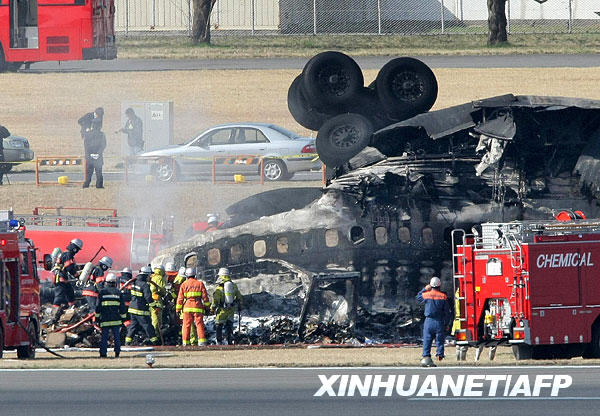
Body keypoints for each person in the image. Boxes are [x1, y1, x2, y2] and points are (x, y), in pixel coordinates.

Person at [416, 276, 451, 367]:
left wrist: (424, 289)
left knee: (427, 340)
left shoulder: (426, 294)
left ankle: (426, 357)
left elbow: (418, 297)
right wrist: (446, 323)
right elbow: (447, 312)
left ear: (431, 285)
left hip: (429, 321)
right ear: (439, 285)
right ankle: (440, 355)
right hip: (439, 321)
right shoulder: (443, 296)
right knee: (439, 340)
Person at [176, 267, 210, 346]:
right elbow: (205, 297)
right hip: (198, 307)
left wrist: (178, 310)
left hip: (187, 307)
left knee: (186, 325)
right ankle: (202, 342)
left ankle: (185, 343)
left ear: (186, 276)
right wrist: (207, 308)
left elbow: (180, 298)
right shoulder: (200, 284)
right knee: (199, 324)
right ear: (195, 275)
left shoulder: (184, 284)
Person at [95, 272, 126, 358]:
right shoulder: (118, 292)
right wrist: (123, 319)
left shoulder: (102, 292)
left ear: (106, 282)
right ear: (115, 283)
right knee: (116, 337)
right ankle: (117, 353)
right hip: (116, 319)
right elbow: (122, 307)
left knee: (104, 338)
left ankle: (103, 354)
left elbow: (98, 307)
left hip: (105, 319)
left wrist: (97, 318)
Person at [125, 266, 159, 345]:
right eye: (149, 276)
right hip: (141, 310)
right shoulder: (145, 285)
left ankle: (127, 342)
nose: (149, 277)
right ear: (145, 275)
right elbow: (148, 298)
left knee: (132, 327)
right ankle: (155, 342)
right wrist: (154, 306)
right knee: (148, 326)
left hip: (132, 309)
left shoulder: (134, 282)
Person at [211, 267, 243, 345]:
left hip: (222, 310)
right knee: (229, 325)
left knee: (219, 325)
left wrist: (212, 308)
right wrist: (240, 305)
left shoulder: (219, 287)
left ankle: (219, 341)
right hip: (231, 309)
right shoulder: (233, 285)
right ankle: (229, 340)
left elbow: (215, 300)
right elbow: (239, 296)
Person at [52, 238, 83, 307]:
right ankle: (53, 312)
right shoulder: (68, 255)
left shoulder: (65, 254)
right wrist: (77, 275)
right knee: (59, 296)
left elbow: (70, 266)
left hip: (63, 279)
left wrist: (82, 267)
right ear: (75, 248)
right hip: (60, 278)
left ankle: (73, 309)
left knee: (70, 294)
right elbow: (70, 268)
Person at [82, 121, 106, 189]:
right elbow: (103, 145)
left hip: (89, 157)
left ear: (92, 126)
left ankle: (86, 185)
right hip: (98, 157)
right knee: (99, 172)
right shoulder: (101, 134)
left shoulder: (87, 134)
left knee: (88, 173)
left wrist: (89, 154)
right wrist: (98, 153)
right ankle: (99, 185)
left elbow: (86, 145)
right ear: (99, 127)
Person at [149, 265, 167, 344]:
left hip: (149, 301)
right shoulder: (159, 278)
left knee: (151, 319)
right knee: (157, 321)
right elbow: (162, 290)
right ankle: (156, 337)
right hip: (156, 302)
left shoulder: (151, 276)